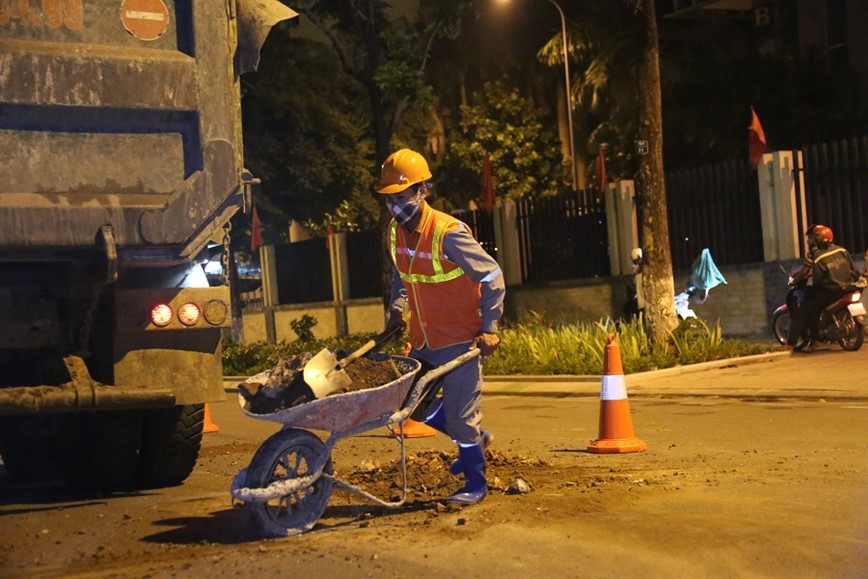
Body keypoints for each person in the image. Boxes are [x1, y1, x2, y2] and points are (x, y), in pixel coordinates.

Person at [376, 148, 505, 505]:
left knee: (461, 418)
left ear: (422, 190)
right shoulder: (395, 233)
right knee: (408, 404)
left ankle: (476, 484)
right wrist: (396, 312)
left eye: (402, 198)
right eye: (389, 200)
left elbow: (493, 276)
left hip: (461, 340)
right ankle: (475, 442)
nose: (395, 207)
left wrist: (490, 326)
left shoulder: (448, 233)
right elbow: (400, 277)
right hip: (423, 339)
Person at [783, 224, 860, 351]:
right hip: (847, 288)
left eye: (812, 239)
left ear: (818, 240)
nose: (810, 242)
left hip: (830, 291)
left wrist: (794, 282)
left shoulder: (817, 256)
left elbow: (814, 279)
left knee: (805, 309)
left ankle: (795, 343)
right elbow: (853, 270)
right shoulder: (842, 250)